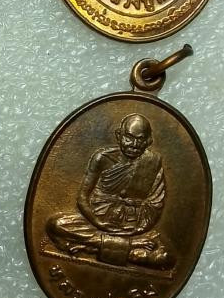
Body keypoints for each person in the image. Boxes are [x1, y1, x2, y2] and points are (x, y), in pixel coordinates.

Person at [47, 114, 174, 269]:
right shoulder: (102, 158)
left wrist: (137, 228)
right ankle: (129, 247)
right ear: (119, 136)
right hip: (97, 220)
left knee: (166, 256)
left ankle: (95, 246)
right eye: (129, 138)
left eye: (140, 139)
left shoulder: (152, 162)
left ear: (148, 141)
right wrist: (98, 222)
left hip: (134, 225)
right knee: (57, 225)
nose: (134, 145)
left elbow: (155, 203)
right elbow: (82, 198)